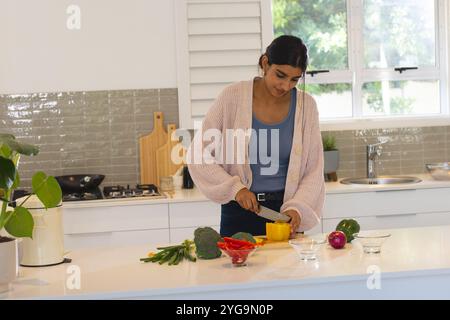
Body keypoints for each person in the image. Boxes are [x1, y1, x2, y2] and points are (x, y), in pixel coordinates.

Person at [187, 35, 325, 237]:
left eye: (294, 79)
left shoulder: (307, 107)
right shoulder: (232, 97)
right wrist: (235, 189)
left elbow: (314, 170)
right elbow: (199, 155)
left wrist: (297, 207)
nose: (286, 86)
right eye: (280, 75)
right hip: (239, 210)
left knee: (287, 269)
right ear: (265, 63)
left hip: (285, 215)